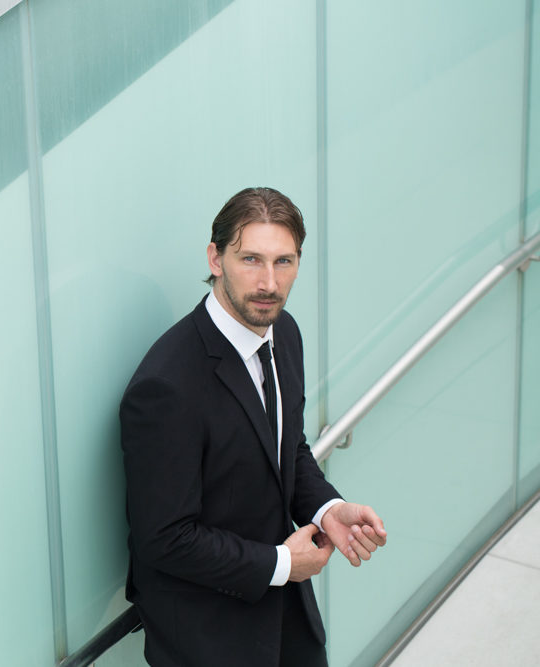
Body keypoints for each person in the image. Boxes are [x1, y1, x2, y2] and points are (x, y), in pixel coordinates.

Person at [120, 187, 387, 667]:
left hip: (288, 618)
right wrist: (282, 564)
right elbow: (163, 538)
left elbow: (288, 450)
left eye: (284, 262)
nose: (268, 282)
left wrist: (327, 509)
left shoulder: (284, 333)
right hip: (208, 638)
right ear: (215, 258)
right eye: (251, 259)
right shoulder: (167, 386)